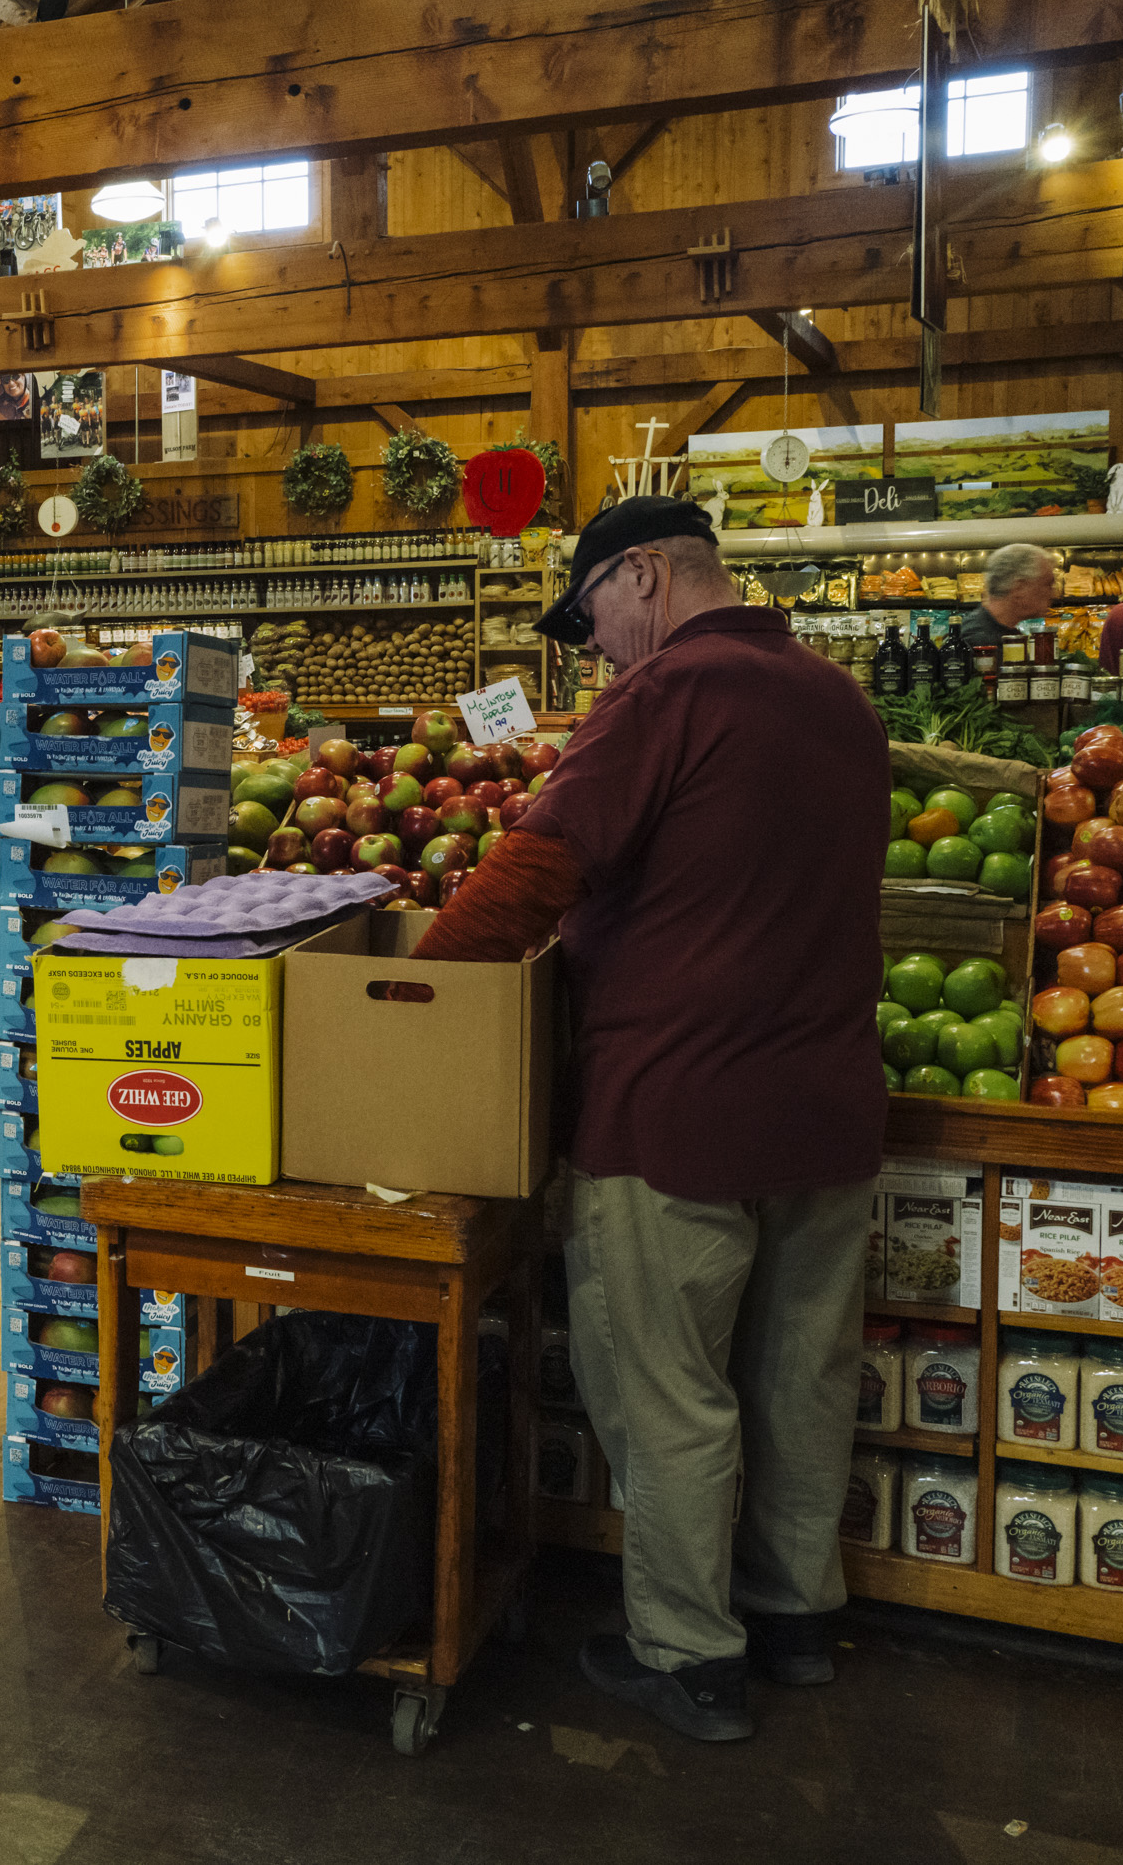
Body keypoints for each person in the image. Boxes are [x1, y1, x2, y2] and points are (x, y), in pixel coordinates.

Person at [411, 495, 886, 1745]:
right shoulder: (839, 700)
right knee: (800, 1374)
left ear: (646, 576)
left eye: (594, 617)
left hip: (672, 1105)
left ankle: (687, 1654)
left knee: (667, 1389)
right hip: (827, 1107)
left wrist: (412, 995)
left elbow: (538, 863)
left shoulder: (666, 695)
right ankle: (793, 1619)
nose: (597, 648)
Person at [949, 543, 1058, 652]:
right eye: (1048, 584)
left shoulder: (1002, 633)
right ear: (1019, 588)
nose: (1053, 594)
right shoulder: (980, 643)